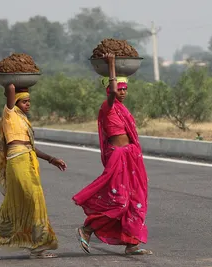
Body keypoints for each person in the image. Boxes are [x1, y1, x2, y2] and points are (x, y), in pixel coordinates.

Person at [0, 84, 67, 261]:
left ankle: (37, 248)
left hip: (28, 160)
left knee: (33, 203)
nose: (28, 104)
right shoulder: (10, 113)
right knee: (25, 201)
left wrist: (51, 159)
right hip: (17, 162)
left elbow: (29, 146)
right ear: (15, 102)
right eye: (24, 101)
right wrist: (12, 82)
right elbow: (10, 91)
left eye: (29, 101)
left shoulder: (23, 119)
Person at [72, 53, 152, 255]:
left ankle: (132, 243)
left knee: (136, 199)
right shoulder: (107, 107)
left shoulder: (123, 110)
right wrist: (112, 65)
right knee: (119, 201)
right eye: (119, 89)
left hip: (131, 156)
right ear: (110, 89)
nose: (122, 93)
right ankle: (87, 229)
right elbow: (113, 91)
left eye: (125, 89)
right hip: (118, 156)